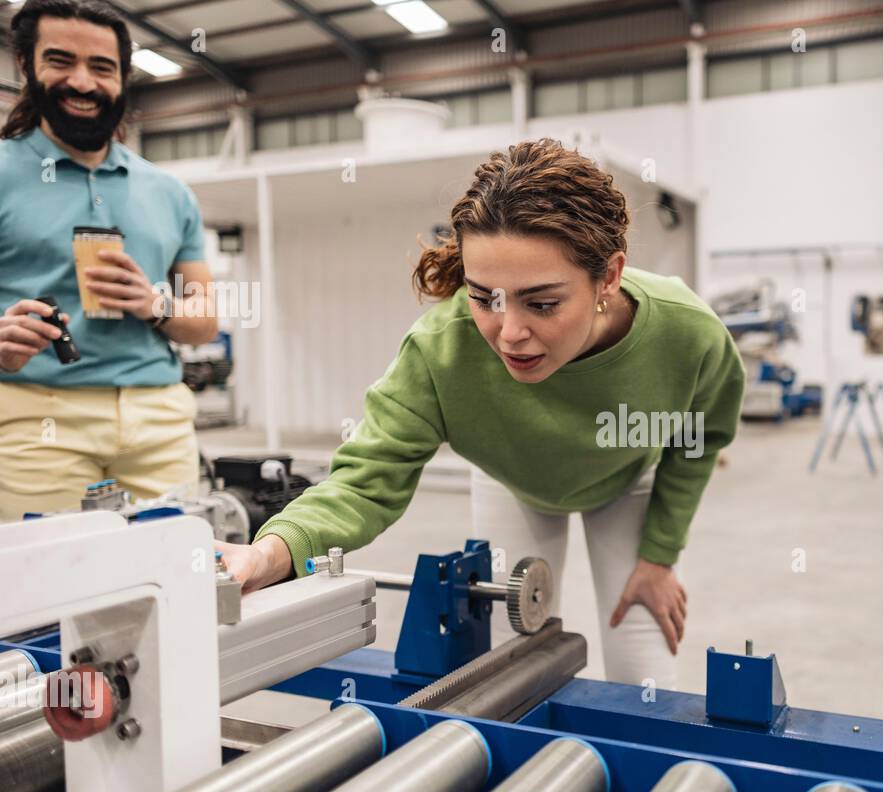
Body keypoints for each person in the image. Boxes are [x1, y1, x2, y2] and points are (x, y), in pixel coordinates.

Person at [220, 138, 745, 690]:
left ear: (608, 277)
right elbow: (365, 482)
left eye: (541, 303)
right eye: (483, 297)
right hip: (512, 478)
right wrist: (267, 555)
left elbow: (700, 436)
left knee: (644, 671)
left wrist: (660, 558)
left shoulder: (687, 334)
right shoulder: (441, 351)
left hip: (626, 480)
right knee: (511, 667)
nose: (509, 333)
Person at [0, 0, 217, 520]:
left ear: (123, 79)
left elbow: (205, 321)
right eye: (60, 61)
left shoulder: (169, 192)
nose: (82, 81)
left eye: (101, 67)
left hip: (159, 420)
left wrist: (155, 304)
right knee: (47, 593)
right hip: (35, 421)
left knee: (172, 583)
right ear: (27, 67)